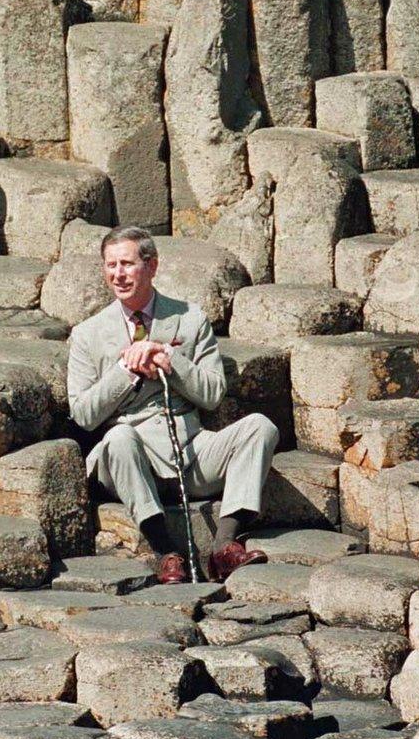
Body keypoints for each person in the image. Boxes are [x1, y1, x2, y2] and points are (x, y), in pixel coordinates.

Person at [67, 225, 280, 584]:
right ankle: (167, 552)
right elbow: (83, 415)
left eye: (128, 264)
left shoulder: (189, 318)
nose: (118, 274)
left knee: (261, 426)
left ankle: (224, 547)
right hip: (131, 460)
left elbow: (213, 393)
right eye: (111, 265)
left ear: (151, 266)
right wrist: (125, 370)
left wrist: (169, 359)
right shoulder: (88, 333)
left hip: (191, 448)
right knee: (118, 438)